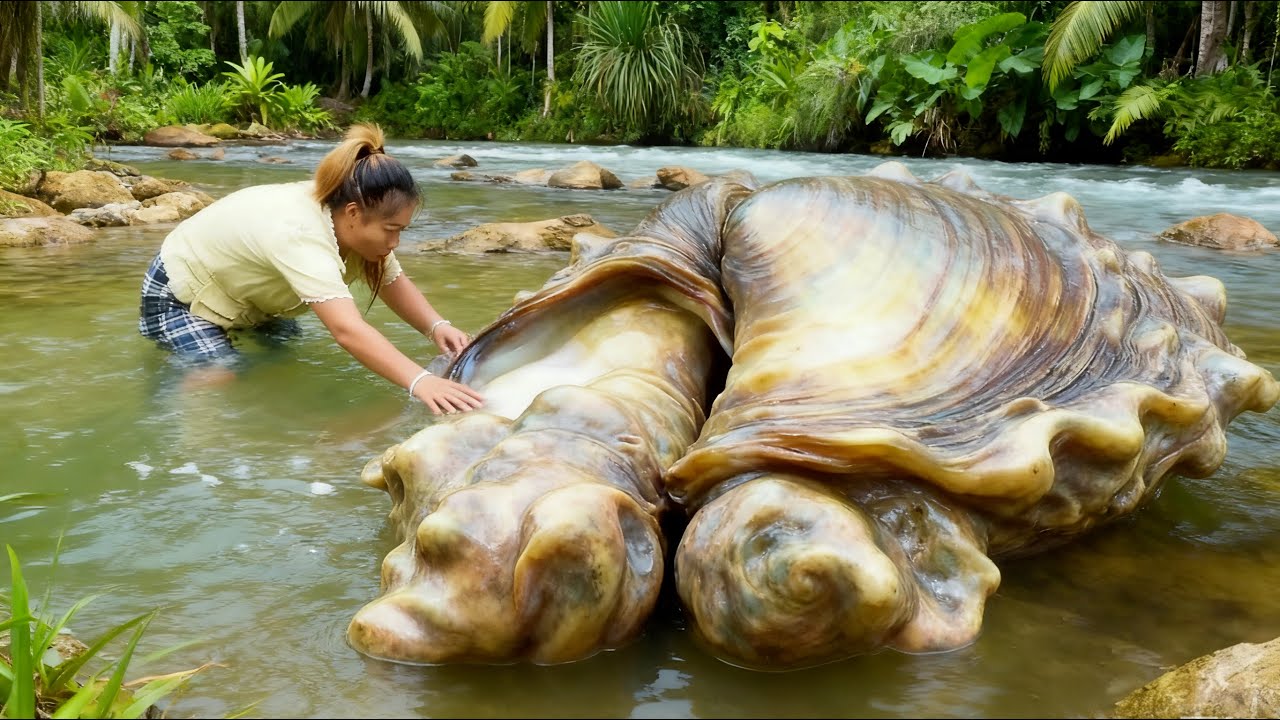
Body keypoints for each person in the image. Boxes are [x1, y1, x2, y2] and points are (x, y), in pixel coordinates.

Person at [138, 123, 484, 416]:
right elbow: (346, 330)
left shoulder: (350, 221)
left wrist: (436, 326)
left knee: (279, 359)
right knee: (222, 371)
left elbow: (390, 279)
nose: (395, 242)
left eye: (401, 231)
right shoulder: (300, 232)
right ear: (353, 213)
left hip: (246, 295)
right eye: (391, 230)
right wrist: (421, 382)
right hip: (180, 291)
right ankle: (164, 412)